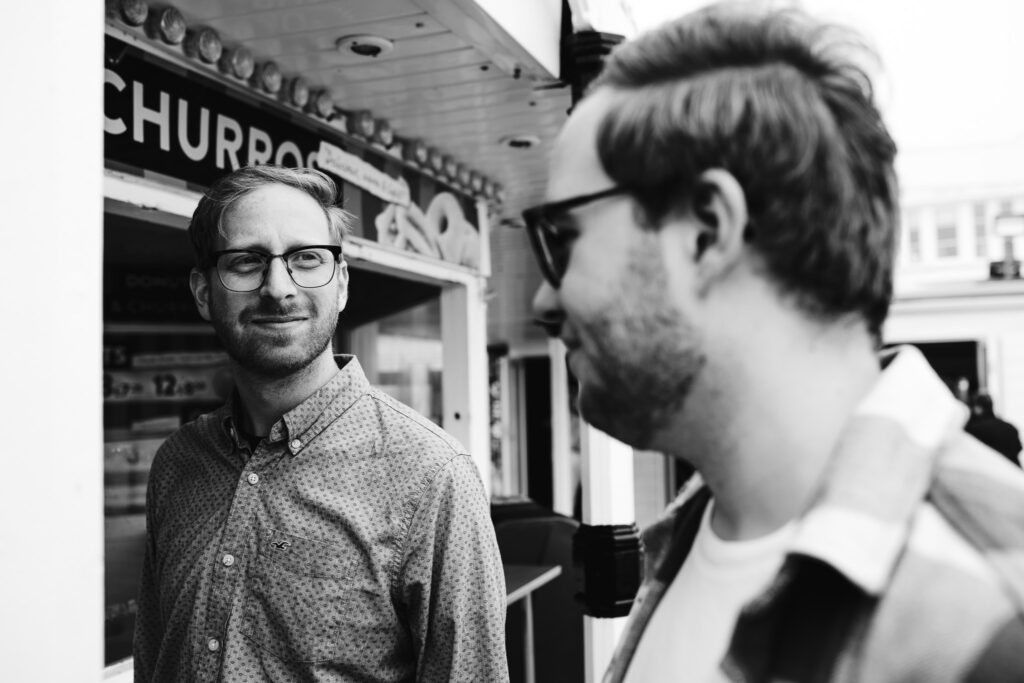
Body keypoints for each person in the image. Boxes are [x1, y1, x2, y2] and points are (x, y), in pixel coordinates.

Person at [527, 4, 1024, 682]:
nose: (541, 301)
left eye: (562, 238)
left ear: (707, 230)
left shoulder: (989, 614)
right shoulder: (691, 537)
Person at [134, 165, 509, 682]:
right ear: (203, 292)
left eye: (306, 259)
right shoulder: (177, 464)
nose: (278, 287)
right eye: (246, 261)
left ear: (342, 283)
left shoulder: (431, 477)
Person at [966, 392, 1022, 466]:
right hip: (1013, 472)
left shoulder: (974, 429)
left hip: (990, 473)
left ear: (978, 408)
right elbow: (1018, 448)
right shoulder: (1011, 428)